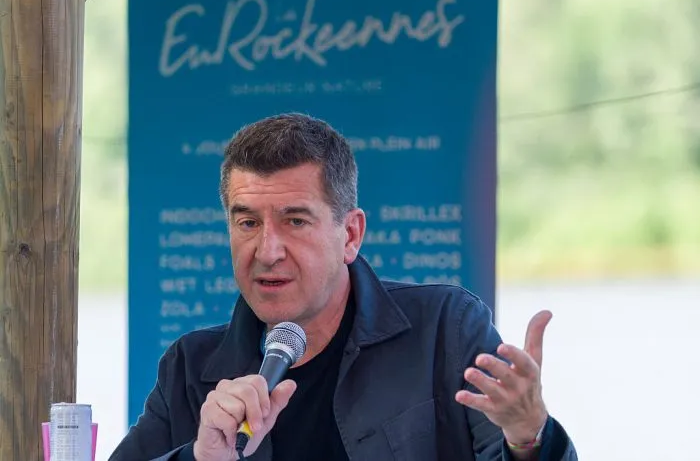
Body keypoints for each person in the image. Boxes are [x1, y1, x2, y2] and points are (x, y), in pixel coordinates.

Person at [110, 113, 577, 461]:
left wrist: (528, 437)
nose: (267, 250)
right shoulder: (190, 367)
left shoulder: (446, 330)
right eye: (248, 222)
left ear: (350, 235)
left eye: (295, 221)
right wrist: (200, 459)